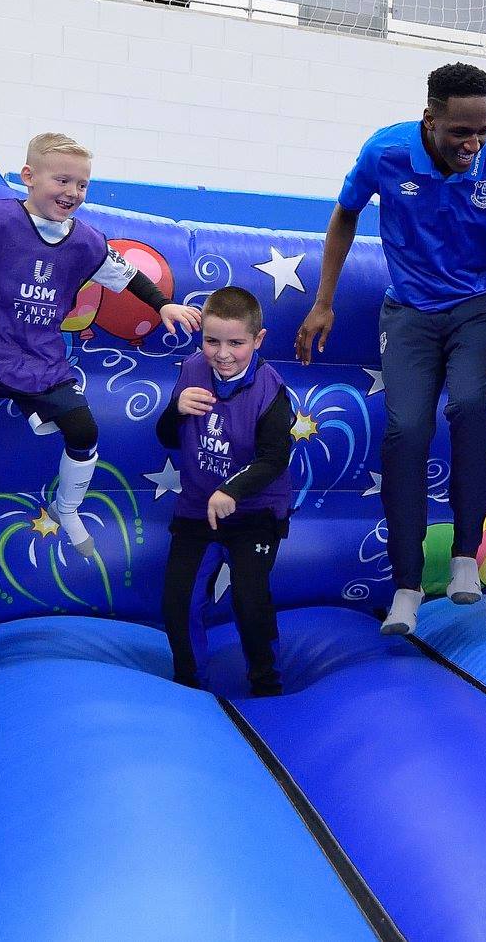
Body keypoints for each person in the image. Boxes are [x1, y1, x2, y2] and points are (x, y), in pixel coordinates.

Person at [296, 62, 486, 635]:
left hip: (483, 302)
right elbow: (344, 217)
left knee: (472, 406)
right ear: (430, 121)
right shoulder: (385, 152)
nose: (473, 143)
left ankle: (464, 555)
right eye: (460, 131)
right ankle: (406, 585)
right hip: (410, 310)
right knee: (405, 431)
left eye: (482, 129)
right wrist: (324, 300)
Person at [0, 131, 200, 555]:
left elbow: (125, 275)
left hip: (41, 358)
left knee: (84, 430)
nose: (72, 192)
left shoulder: (87, 241)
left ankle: (66, 507)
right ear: (29, 177)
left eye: (81, 184)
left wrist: (163, 305)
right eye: (62, 181)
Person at [157, 286, 296, 697]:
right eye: (212, 341)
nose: (222, 353)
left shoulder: (271, 388)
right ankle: (189, 684)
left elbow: (274, 459)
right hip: (198, 509)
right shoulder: (192, 370)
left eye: (236, 343)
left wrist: (231, 491)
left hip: (255, 512)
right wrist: (175, 408)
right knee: (177, 601)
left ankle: (266, 680)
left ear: (258, 340)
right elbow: (166, 437)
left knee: (249, 599)